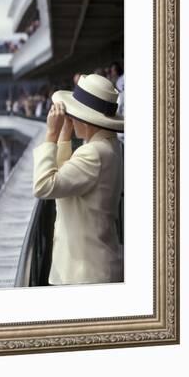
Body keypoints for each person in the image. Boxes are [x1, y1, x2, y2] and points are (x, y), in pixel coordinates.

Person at [32, 73, 124, 285]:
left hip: (84, 274)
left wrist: (51, 136)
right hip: (93, 268)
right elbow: (67, 179)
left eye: (74, 114)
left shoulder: (93, 153)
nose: (71, 117)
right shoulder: (108, 145)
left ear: (88, 119)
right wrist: (65, 134)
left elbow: (43, 185)